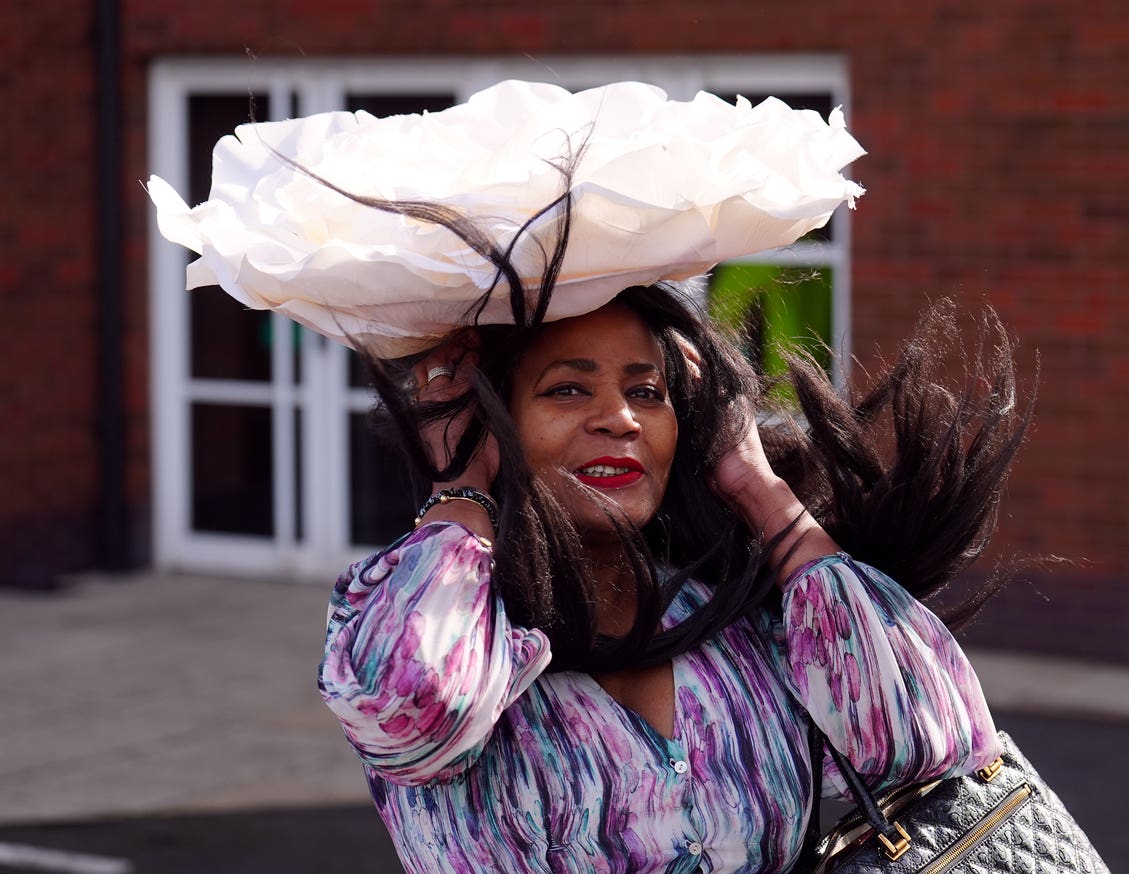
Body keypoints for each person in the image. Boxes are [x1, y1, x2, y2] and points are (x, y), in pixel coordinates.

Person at [150, 80, 1030, 873]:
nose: (620, 418)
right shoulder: (432, 628)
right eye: (568, 389)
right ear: (490, 420)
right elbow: (413, 707)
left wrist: (757, 488)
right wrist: (461, 488)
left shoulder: (739, 618)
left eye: (647, 392)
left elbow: (930, 738)